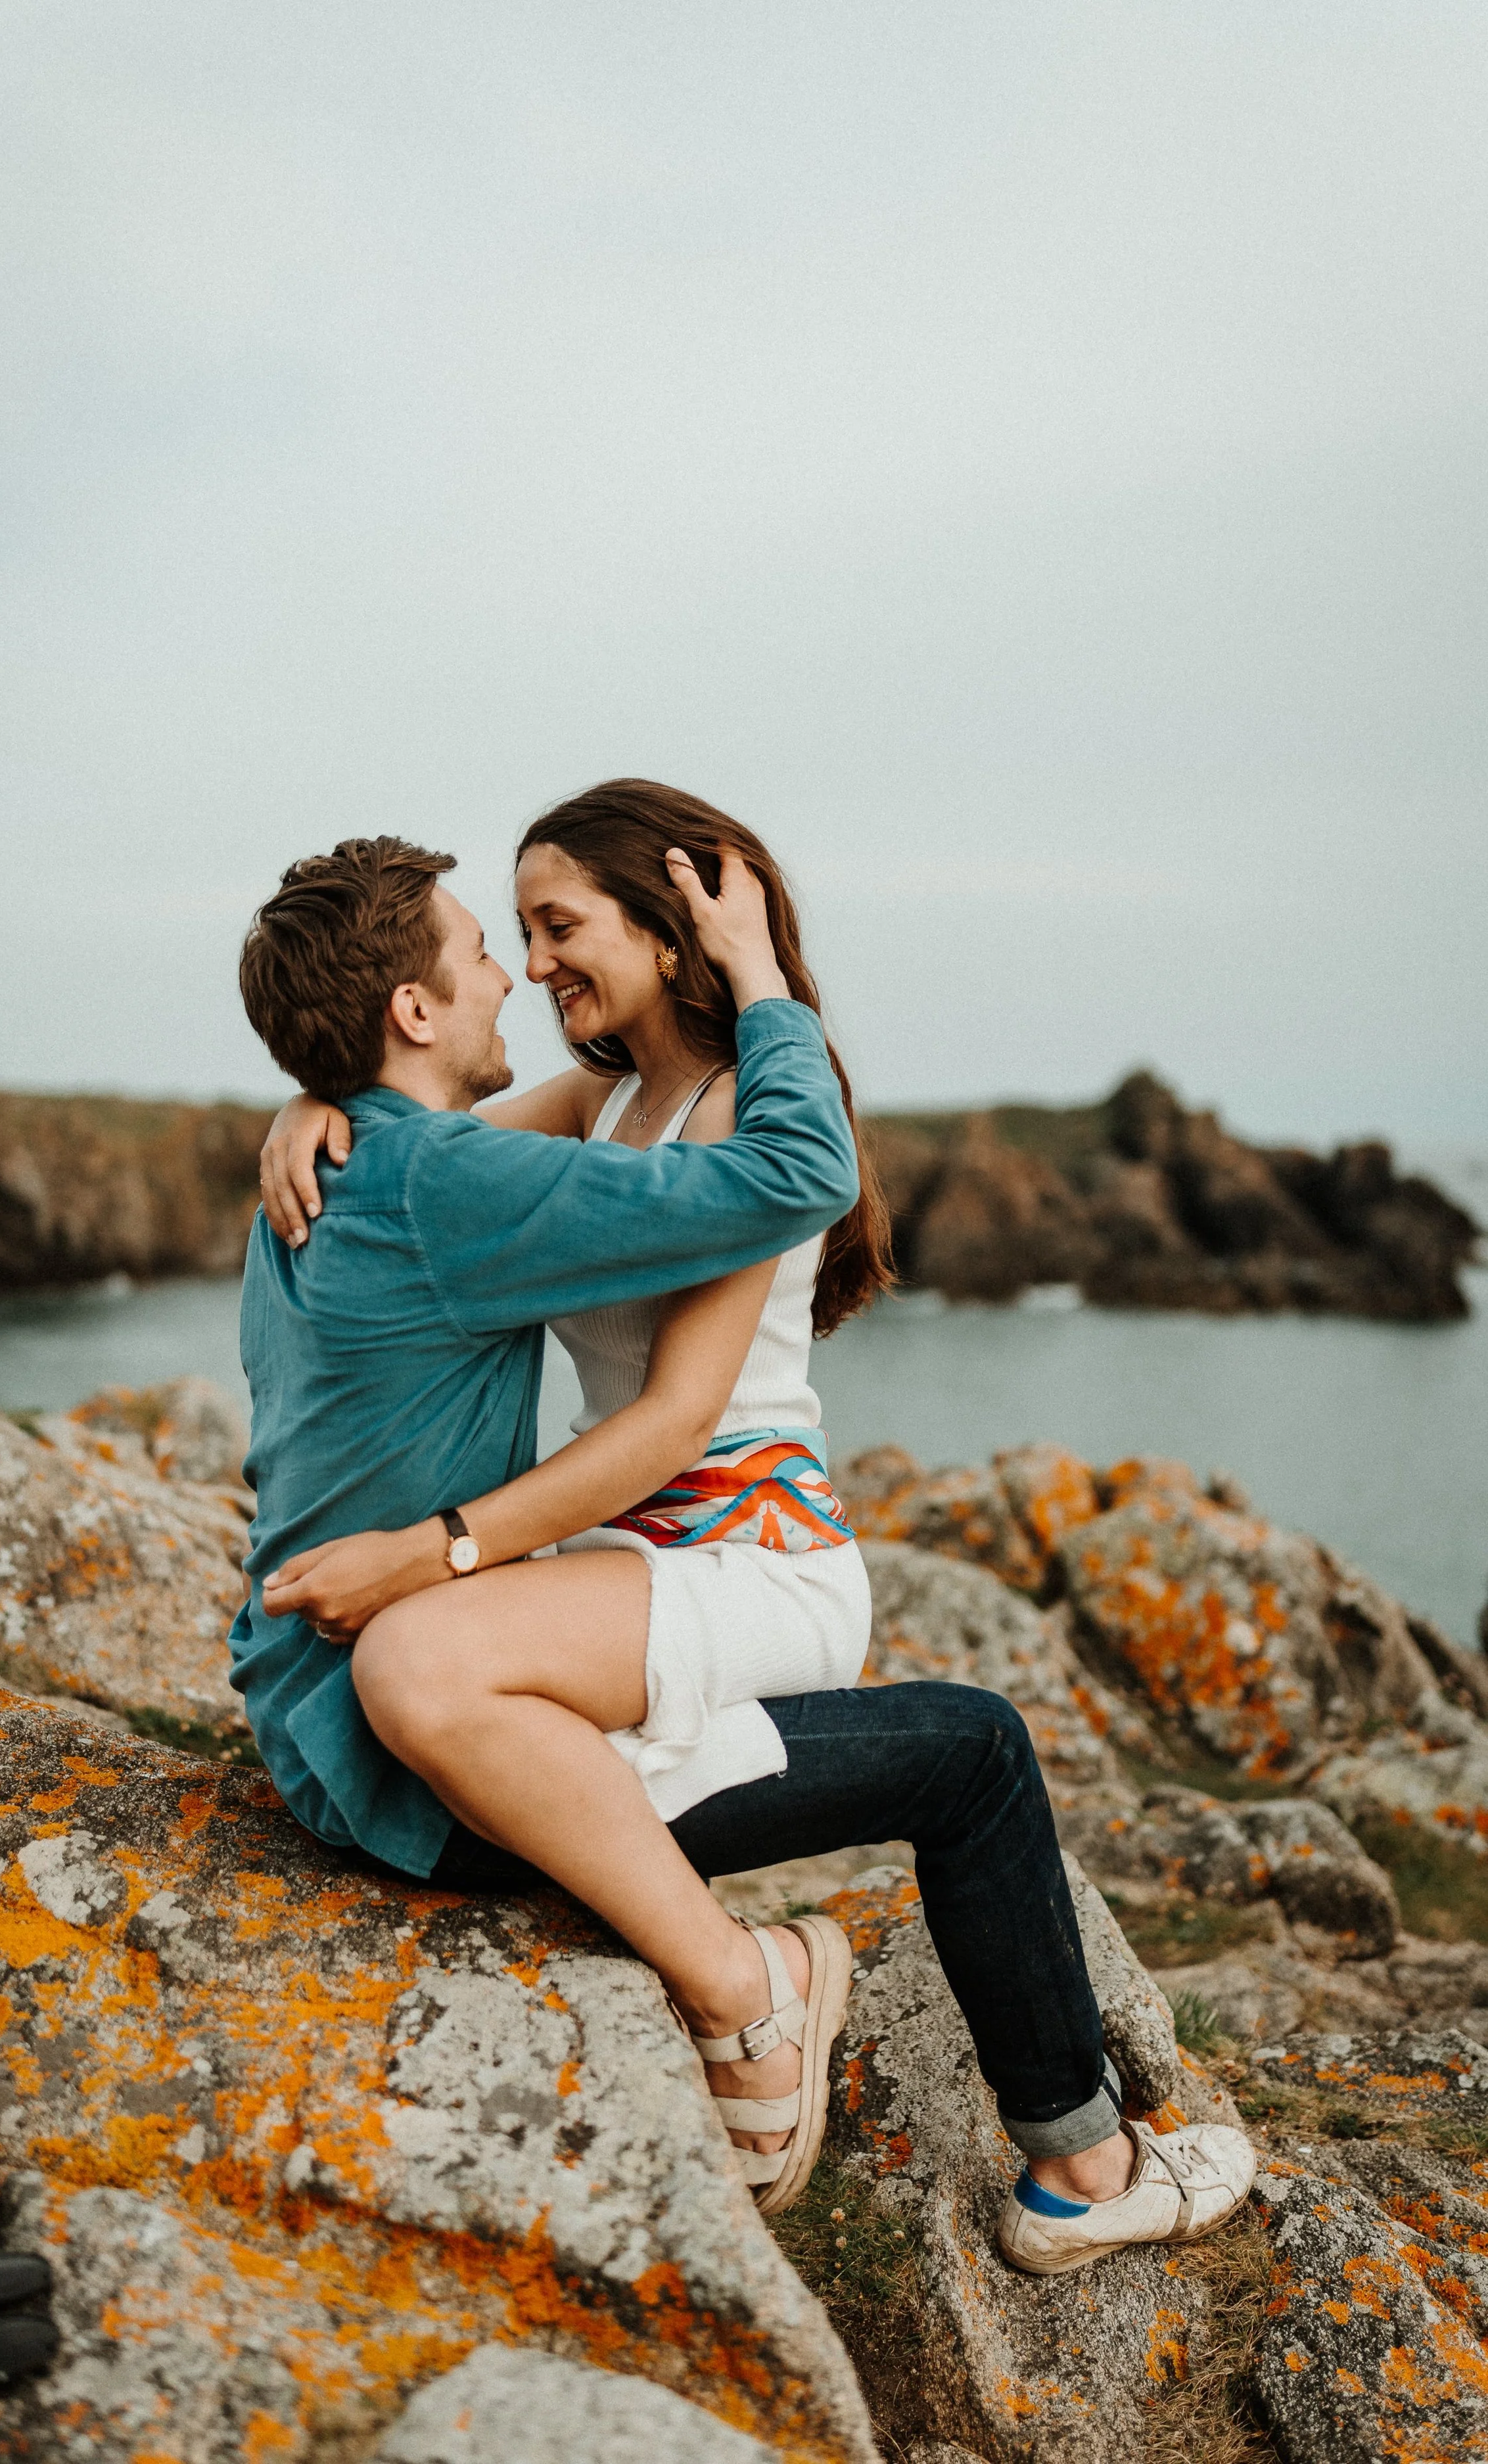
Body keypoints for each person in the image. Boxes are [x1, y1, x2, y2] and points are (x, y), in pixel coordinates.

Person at [235, 800, 1255, 2268]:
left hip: (741, 1561)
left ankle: (1050, 2150)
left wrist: (760, 970)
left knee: (435, 1671)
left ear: (673, 928)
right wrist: (315, 1096)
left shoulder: (735, 1111)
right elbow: (426, 1146)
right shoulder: (598, 1108)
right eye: (505, 937)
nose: (528, 966)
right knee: (496, 1723)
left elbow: (665, 1418)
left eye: (556, 925)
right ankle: (882, 2057)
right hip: (618, 1571)